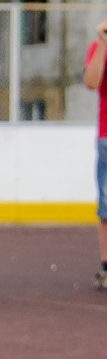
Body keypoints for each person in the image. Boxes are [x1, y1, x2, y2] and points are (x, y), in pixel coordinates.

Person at [84, 19, 107, 290]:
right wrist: (102, 42)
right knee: (106, 204)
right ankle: (105, 265)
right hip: (106, 134)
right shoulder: (97, 47)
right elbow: (91, 81)